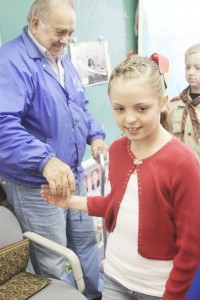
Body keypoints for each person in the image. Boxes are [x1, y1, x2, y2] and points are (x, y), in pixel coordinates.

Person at [41, 53, 200, 300]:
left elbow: (190, 245)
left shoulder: (182, 163)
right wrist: (69, 202)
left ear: (163, 102)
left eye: (142, 108)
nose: (129, 119)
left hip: (158, 289)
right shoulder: (117, 149)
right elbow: (117, 204)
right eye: (119, 109)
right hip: (114, 277)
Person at [0, 1, 108, 299]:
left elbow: (79, 108)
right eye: (60, 31)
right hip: (37, 184)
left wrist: (95, 135)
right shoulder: (11, 61)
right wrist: (45, 160)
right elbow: (2, 125)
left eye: (71, 33)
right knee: (54, 259)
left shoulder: (62, 60)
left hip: (71, 174)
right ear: (35, 24)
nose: (65, 39)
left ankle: (94, 297)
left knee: (86, 243)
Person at [168, 43, 200, 160]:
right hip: (179, 172)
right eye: (188, 67)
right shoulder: (172, 107)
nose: (191, 72)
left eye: (198, 68)